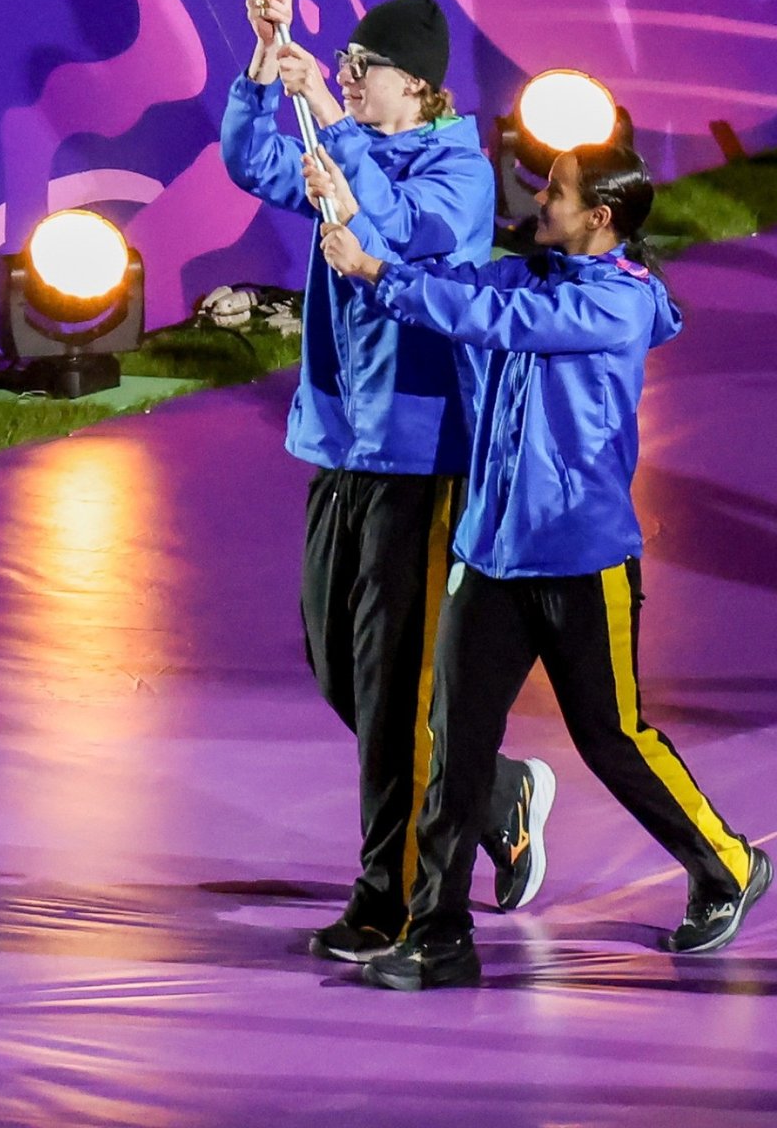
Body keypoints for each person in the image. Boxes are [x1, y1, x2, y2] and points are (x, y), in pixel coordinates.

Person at [317, 140, 771, 989]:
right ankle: (440, 936)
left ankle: (729, 866)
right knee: (455, 748)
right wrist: (352, 210)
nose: (539, 198)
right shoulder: (530, 274)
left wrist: (374, 271)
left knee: (611, 737)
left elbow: (496, 324)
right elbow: (448, 286)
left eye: (555, 192)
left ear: (600, 217)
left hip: (581, 565)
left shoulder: (618, 305)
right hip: (488, 557)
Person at [220, 0, 552, 961]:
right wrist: (260, 59)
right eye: (347, 67)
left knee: (397, 679)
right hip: (339, 442)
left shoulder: (458, 170)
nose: (347, 78)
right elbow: (248, 158)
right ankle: (493, 789)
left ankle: (395, 901)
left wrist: (328, 120)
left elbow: (406, 233)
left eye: (365, 71)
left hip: (421, 454)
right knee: (340, 662)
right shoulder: (342, 149)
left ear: (419, 89)